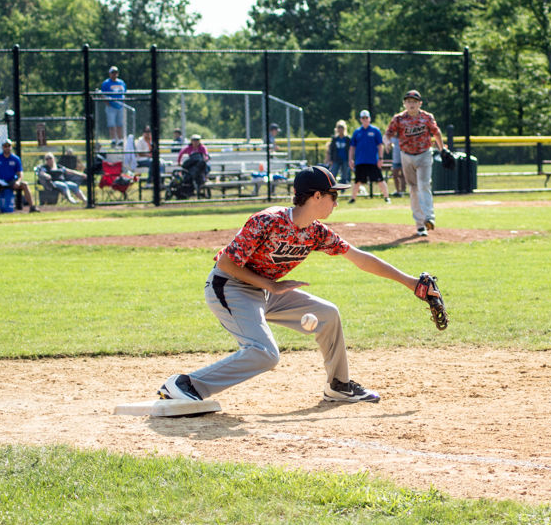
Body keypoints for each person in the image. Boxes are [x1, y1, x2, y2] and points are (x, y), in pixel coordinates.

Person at [156, 165, 441, 404]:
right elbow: (226, 264)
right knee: (265, 354)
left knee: (327, 314)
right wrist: (270, 284)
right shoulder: (267, 221)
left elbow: (360, 259)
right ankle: (186, 385)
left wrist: (410, 282)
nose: (336, 202)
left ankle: (338, 385)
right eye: (332, 195)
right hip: (229, 287)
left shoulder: (316, 232)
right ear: (316, 195)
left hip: (264, 290)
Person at [385, 90, 445, 236]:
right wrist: (386, 142)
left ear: (420, 103)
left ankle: (429, 217)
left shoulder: (426, 117)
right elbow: (388, 134)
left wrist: (442, 149)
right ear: (404, 103)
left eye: (414, 102)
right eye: (408, 101)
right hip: (406, 156)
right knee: (413, 188)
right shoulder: (398, 119)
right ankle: (420, 224)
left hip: (424, 154)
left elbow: (436, 132)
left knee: (424, 184)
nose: (411, 104)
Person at [348, 110, 390, 204]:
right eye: (363, 118)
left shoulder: (375, 131)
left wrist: (380, 158)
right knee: (357, 181)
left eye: (366, 117)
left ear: (369, 118)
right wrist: (350, 159)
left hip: (373, 161)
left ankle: (387, 197)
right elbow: (352, 147)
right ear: (360, 119)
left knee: (380, 179)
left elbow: (380, 145)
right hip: (360, 161)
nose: (365, 120)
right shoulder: (357, 132)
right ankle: (353, 198)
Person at [0, 139, 39, 213]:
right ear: (2, 147)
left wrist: (18, 181)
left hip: (12, 181)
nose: (7, 148)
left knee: (25, 185)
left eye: (9, 146)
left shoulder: (15, 159)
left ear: (11, 147)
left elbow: (20, 173)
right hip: (0, 182)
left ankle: (32, 207)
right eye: (5, 146)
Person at [100, 66, 126, 148]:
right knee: (111, 124)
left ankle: (120, 140)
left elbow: (124, 93)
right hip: (111, 106)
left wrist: (123, 102)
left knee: (120, 124)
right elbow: (103, 95)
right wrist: (107, 103)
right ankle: (113, 140)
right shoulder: (106, 83)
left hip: (120, 106)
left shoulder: (121, 82)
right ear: (110, 74)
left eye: (116, 73)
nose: (114, 74)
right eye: (112, 73)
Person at [327, 120, 351, 184]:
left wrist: (350, 159)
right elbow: (331, 150)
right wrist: (330, 159)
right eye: (339, 127)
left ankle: (343, 189)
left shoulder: (347, 138)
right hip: (336, 159)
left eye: (342, 127)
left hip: (345, 159)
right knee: (333, 173)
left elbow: (350, 149)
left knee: (344, 175)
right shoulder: (335, 138)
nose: (340, 129)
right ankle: (332, 186)